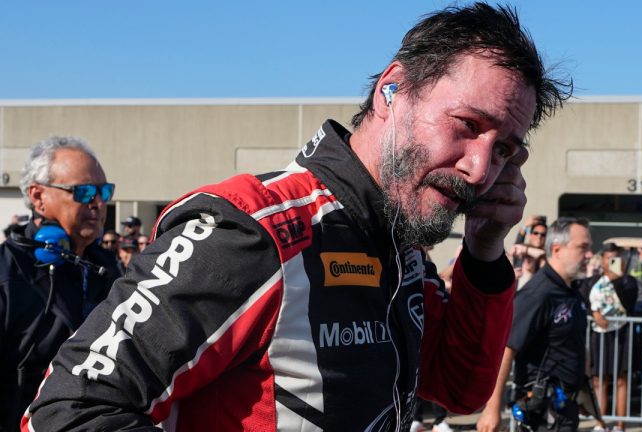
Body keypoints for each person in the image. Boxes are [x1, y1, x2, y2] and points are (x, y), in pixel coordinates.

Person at [24, 4, 571, 431]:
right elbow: (67, 411)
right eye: (468, 124)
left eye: (503, 149)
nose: (480, 169)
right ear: (393, 89)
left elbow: (458, 388)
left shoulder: (399, 243)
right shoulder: (255, 228)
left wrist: (485, 249)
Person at [0, 137, 120, 431]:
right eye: (84, 192)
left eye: (104, 191)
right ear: (38, 196)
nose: (99, 202)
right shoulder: (7, 273)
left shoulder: (110, 270)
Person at [477, 217, 592, 432]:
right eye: (583, 248)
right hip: (542, 412)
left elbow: (574, 344)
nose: (589, 255)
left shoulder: (572, 291)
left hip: (566, 407)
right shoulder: (538, 293)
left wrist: (584, 392)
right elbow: (506, 349)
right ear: (557, 249)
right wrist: (492, 409)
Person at [583, 243, 638, 432]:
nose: (612, 262)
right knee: (599, 379)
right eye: (609, 258)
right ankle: (600, 423)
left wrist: (618, 279)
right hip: (600, 335)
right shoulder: (592, 282)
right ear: (602, 260)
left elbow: (630, 302)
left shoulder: (628, 281)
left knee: (621, 379)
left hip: (622, 333)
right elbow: (584, 301)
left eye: (616, 258)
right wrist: (594, 312)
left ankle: (620, 425)